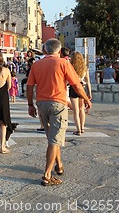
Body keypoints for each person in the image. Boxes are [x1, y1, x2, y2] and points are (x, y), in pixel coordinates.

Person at [27, 38, 92, 186]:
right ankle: (47, 175)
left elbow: (30, 86)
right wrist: (86, 99)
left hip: (42, 103)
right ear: (59, 50)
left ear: (45, 50)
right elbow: (76, 85)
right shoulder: (64, 63)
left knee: (52, 139)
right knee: (54, 141)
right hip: (58, 103)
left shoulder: (36, 65)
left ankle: (59, 165)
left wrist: (30, 104)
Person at [68, 51, 92, 135]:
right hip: (83, 87)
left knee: (75, 110)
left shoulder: (70, 67)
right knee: (82, 109)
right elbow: (88, 81)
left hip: (73, 87)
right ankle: (82, 128)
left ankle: (78, 129)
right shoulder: (84, 68)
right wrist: (89, 92)